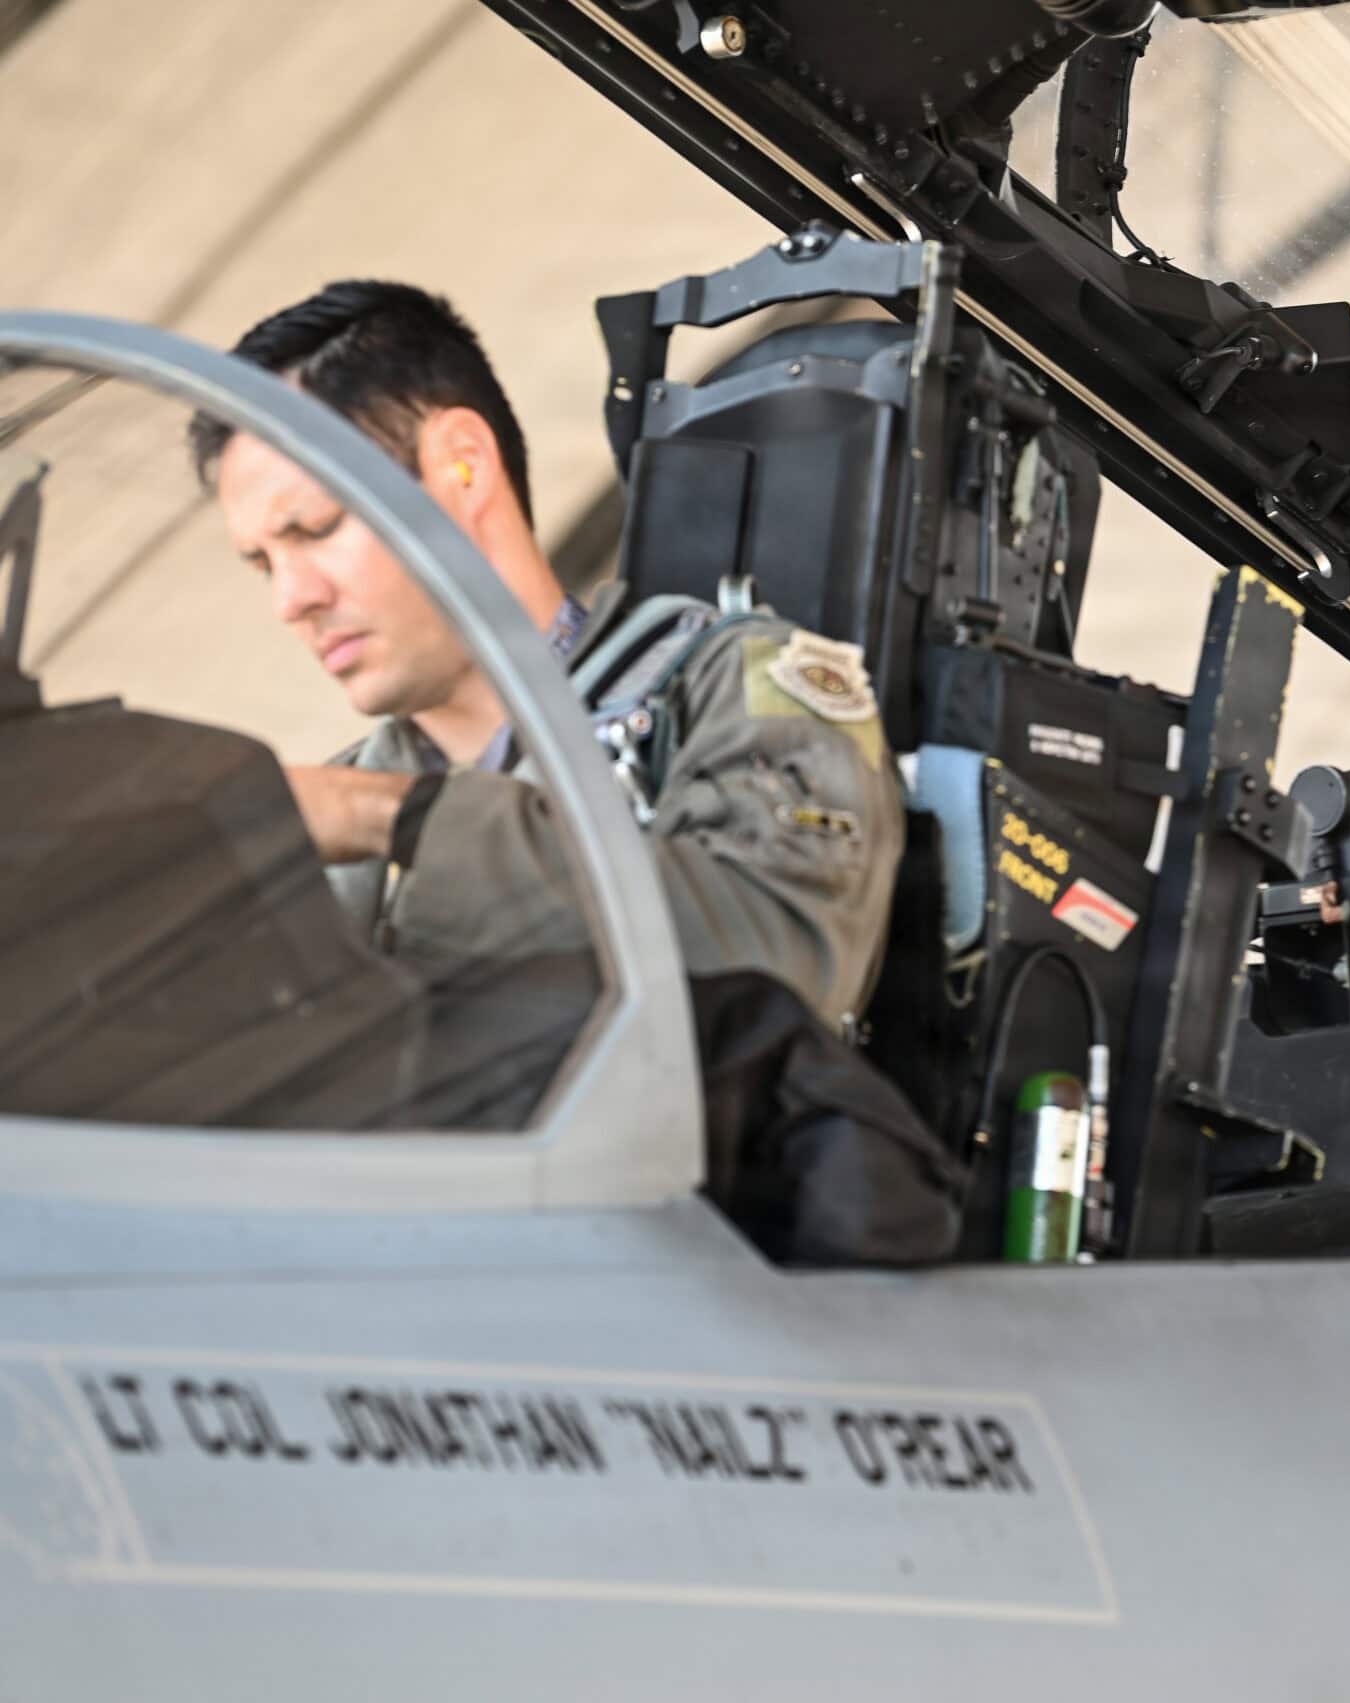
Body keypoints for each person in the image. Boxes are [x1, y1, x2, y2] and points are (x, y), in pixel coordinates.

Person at [191, 280, 957, 1261]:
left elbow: (779, 952)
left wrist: (402, 820)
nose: (291, 598)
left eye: (316, 528)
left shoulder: (733, 684)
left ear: (459, 464)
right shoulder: (313, 826)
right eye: (261, 562)